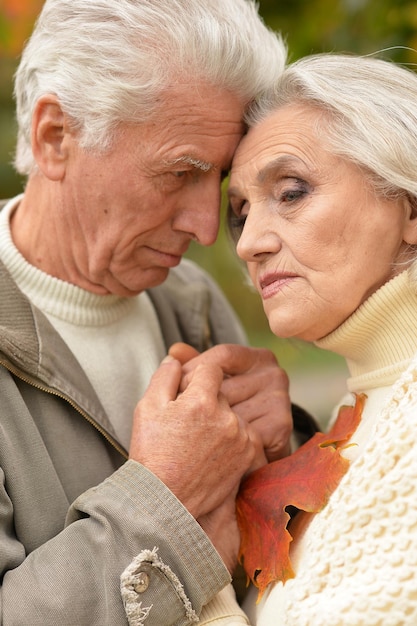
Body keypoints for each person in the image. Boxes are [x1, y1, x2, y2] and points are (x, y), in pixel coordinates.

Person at [0, 1, 299, 624]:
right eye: (179, 172)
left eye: (216, 180)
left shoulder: (189, 300)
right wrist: (163, 498)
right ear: (55, 137)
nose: (207, 229)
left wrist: (284, 457)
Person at [198, 51, 417, 624]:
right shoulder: (366, 405)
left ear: (411, 205)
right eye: (242, 213)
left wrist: (191, 554)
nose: (249, 244)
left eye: (291, 193)